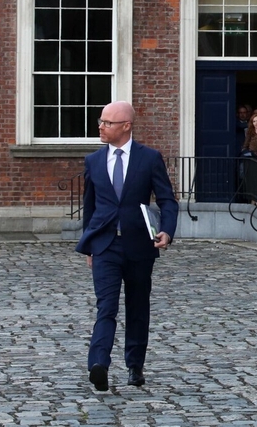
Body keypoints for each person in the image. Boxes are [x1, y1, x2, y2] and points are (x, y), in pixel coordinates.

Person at [75, 101, 179, 391]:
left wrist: (167, 232)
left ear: (126, 126)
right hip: (105, 245)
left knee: (137, 306)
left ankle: (135, 364)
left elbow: (168, 200)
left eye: (107, 122)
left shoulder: (149, 158)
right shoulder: (94, 161)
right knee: (105, 307)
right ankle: (99, 364)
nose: (101, 126)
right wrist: (89, 246)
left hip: (139, 246)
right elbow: (90, 207)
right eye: (101, 121)